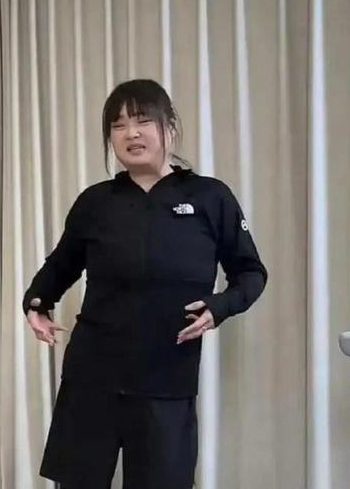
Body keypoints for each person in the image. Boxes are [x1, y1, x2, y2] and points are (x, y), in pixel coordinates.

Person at [23, 78, 268, 489]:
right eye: (118, 125)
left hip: (166, 380)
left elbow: (251, 273)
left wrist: (219, 307)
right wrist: (36, 304)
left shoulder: (210, 197)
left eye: (141, 121)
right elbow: (60, 267)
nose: (130, 134)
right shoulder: (95, 202)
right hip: (91, 378)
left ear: (169, 126)